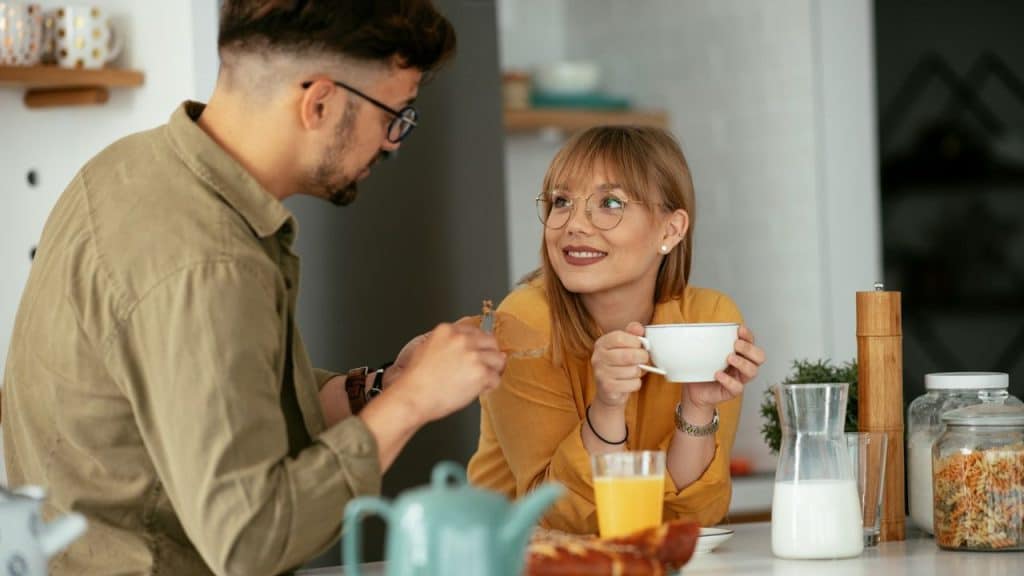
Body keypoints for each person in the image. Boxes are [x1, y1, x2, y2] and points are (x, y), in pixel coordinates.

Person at [1, 1, 505, 574]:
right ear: (319, 103)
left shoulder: (130, 169)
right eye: (396, 116)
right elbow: (249, 541)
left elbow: (223, 408)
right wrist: (414, 403)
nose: (392, 143)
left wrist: (389, 384)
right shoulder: (209, 262)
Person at [467, 125, 766, 533]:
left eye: (609, 202)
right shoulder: (523, 323)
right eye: (561, 202)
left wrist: (697, 406)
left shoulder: (707, 319)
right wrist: (607, 407)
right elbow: (554, 516)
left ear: (671, 229)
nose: (574, 224)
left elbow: (690, 520)